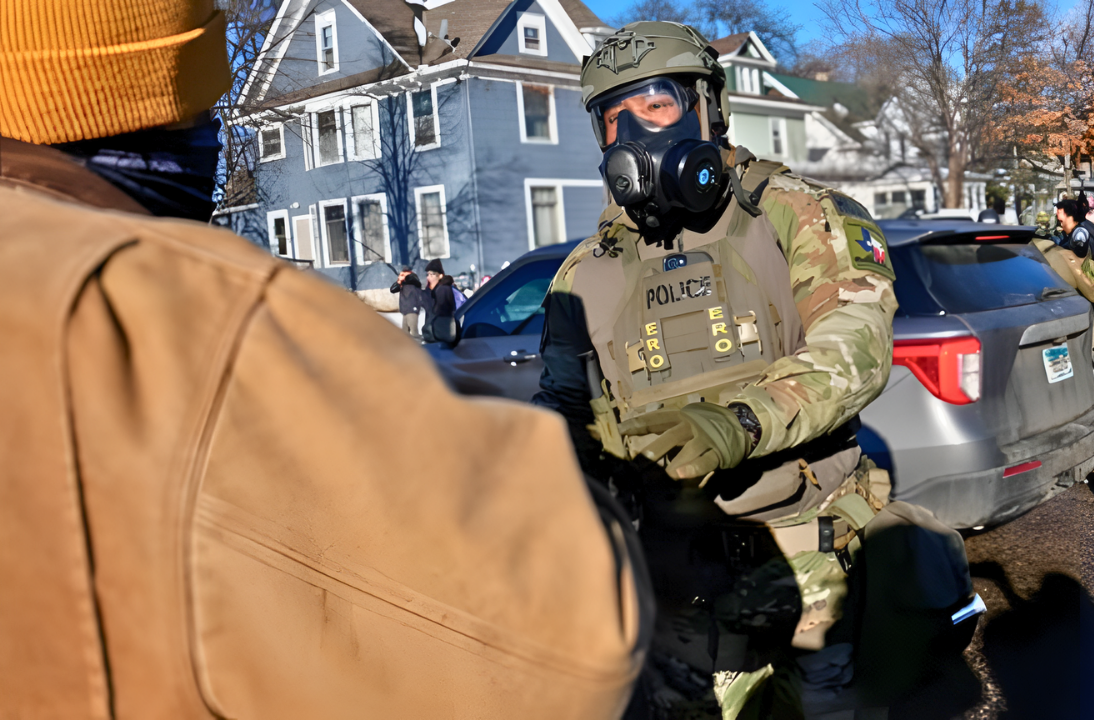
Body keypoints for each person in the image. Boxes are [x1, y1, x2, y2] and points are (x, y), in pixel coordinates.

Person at [0, 1, 648, 716]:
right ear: (159, 109)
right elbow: (567, 632)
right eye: (205, 109)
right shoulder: (206, 324)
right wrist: (395, 403)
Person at [533, 22, 974, 718]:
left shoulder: (795, 213)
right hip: (673, 589)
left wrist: (739, 422)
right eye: (614, 119)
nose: (634, 137)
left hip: (811, 573)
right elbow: (562, 411)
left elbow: (854, 350)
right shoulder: (584, 273)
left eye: (656, 106)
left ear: (709, 108)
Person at [1029, 197, 1094, 303]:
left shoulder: (1080, 232)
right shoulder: (1071, 232)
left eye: (1061, 221)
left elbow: (1080, 250)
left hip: (1083, 290)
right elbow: (1059, 241)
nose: (1061, 224)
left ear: (1071, 217)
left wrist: (1076, 245)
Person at [422, 258, 456, 341]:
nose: (428, 278)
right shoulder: (432, 289)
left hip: (440, 333)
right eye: (428, 275)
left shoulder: (442, 289)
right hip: (436, 332)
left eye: (432, 275)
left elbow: (439, 311)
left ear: (440, 276)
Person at [390, 265, 425, 338]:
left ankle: (417, 344)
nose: (400, 276)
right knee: (405, 334)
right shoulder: (404, 285)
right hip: (405, 311)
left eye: (402, 275)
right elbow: (392, 290)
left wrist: (401, 281)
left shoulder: (412, 284)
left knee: (414, 333)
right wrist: (399, 282)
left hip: (411, 310)